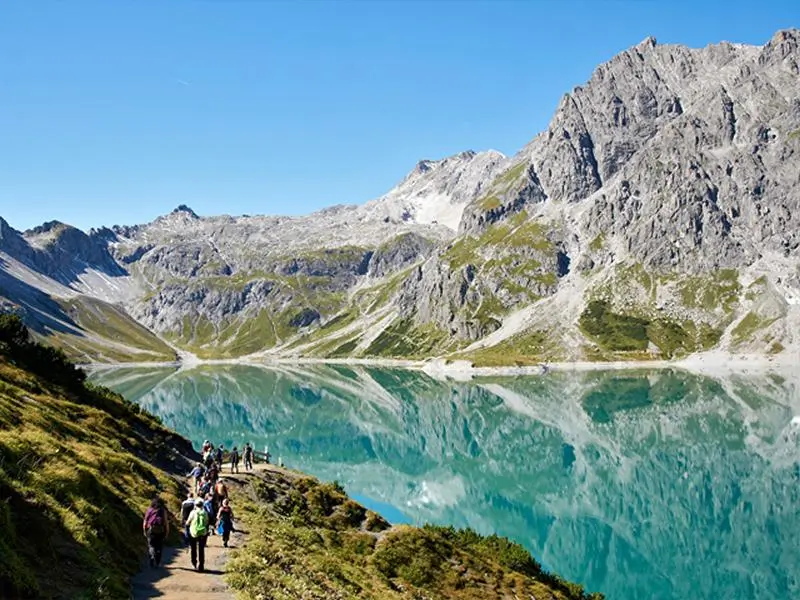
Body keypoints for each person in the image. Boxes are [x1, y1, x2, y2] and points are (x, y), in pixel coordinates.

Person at [142, 497, 169, 568]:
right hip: (160, 530)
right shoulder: (163, 510)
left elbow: (145, 521)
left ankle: (151, 558)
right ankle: (157, 562)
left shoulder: (149, 510)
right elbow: (166, 522)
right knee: (159, 546)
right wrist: (167, 532)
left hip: (151, 530)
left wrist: (144, 530)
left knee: (151, 545)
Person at [186, 498, 209, 572]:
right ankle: (201, 565)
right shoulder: (205, 512)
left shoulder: (193, 512)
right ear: (202, 505)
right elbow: (206, 522)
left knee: (193, 548)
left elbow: (188, 522)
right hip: (202, 532)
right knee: (201, 549)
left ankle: (194, 562)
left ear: (195, 505)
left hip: (193, 532)